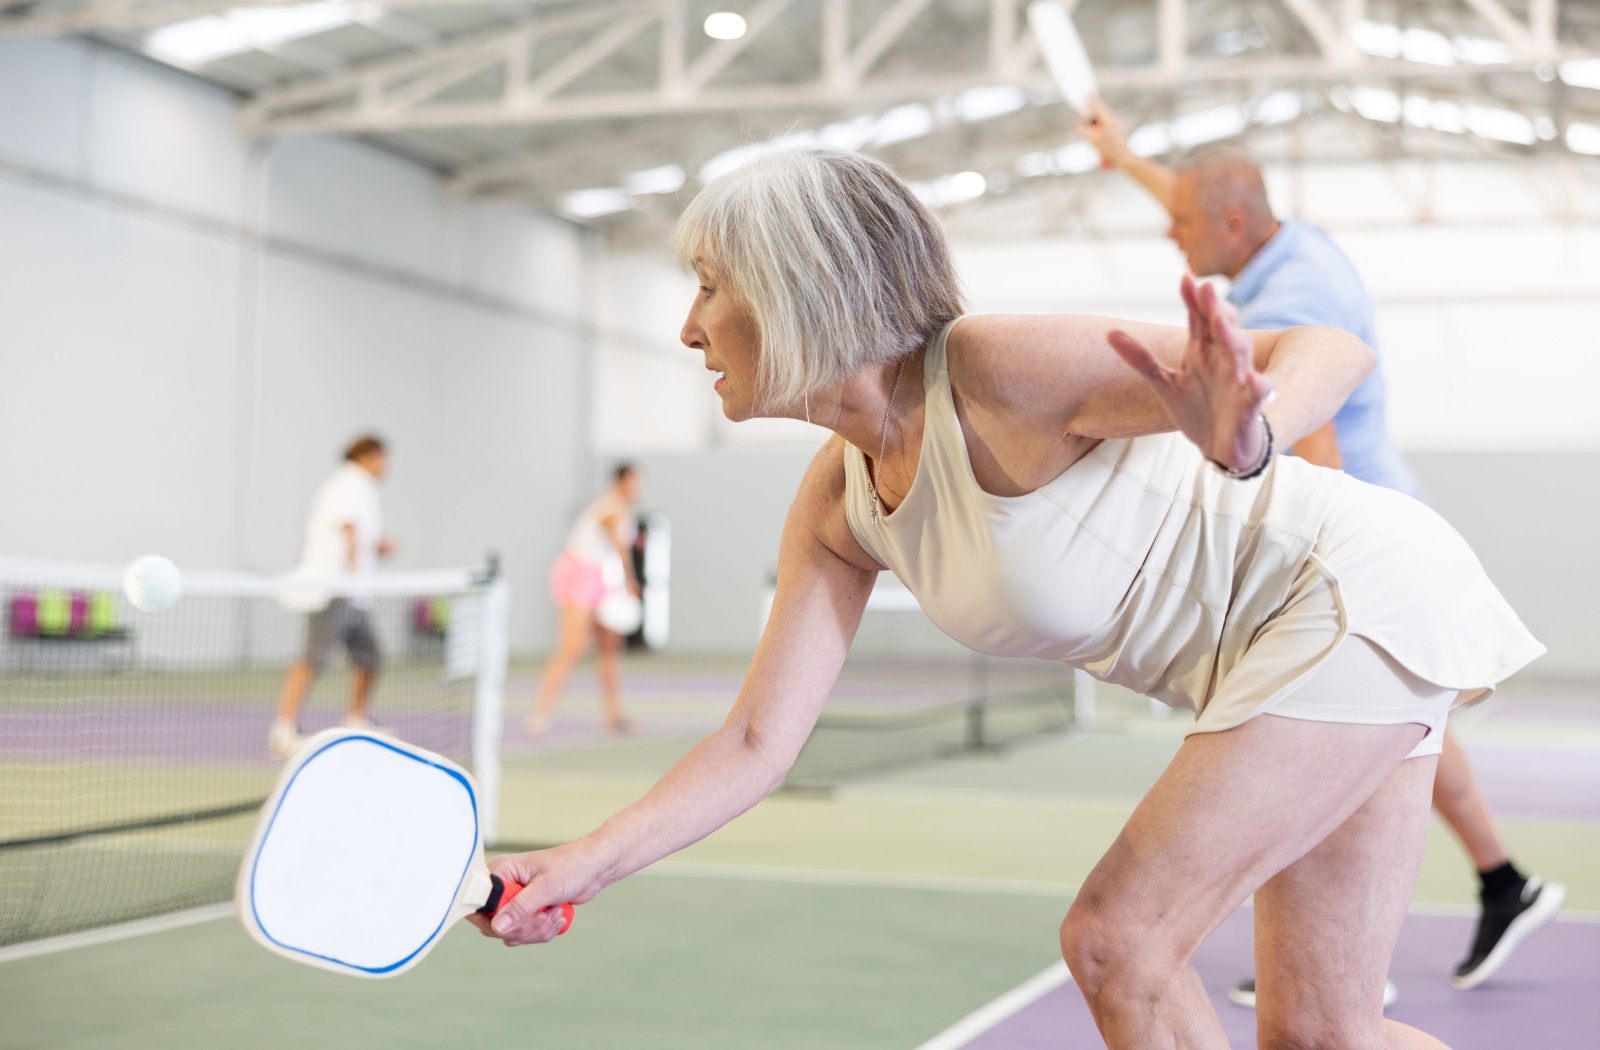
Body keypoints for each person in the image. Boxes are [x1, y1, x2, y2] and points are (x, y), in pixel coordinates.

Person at [473, 147, 1544, 1050]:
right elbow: (757, 740)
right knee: (1322, 1040)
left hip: (1353, 591)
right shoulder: (838, 504)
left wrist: (1249, 433)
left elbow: (1331, 349)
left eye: (710, 285)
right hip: (1304, 639)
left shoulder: (991, 371)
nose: (688, 327)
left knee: (1117, 940)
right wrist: (582, 865)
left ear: (802, 283)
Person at [1078, 97, 1565, 999]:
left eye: (1179, 224)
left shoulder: (1296, 299)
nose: (1169, 237)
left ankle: (1343, 962)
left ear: (1229, 224)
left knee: (1304, 737)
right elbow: (1199, 203)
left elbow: (1318, 449)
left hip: (1361, 541)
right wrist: (1127, 155)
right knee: (1401, 735)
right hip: (1396, 527)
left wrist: (1291, 570)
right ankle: (1499, 884)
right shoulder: (1291, 240)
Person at [269, 434, 396, 760]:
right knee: (313, 659)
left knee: (371, 658)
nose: (386, 465)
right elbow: (349, 530)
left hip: (355, 594)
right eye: (382, 458)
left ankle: (355, 719)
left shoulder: (364, 490)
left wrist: (377, 547)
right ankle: (283, 729)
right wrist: (349, 578)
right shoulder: (345, 486)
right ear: (367, 456)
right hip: (335, 591)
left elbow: (360, 535)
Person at [524, 464, 644, 737]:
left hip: (600, 578)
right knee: (572, 647)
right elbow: (619, 546)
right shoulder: (613, 508)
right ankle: (539, 716)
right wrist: (630, 581)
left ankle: (613, 715)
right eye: (635, 482)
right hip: (578, 573)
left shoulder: (622, 510)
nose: (639, 489)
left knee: (609, 647)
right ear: (622, 481)